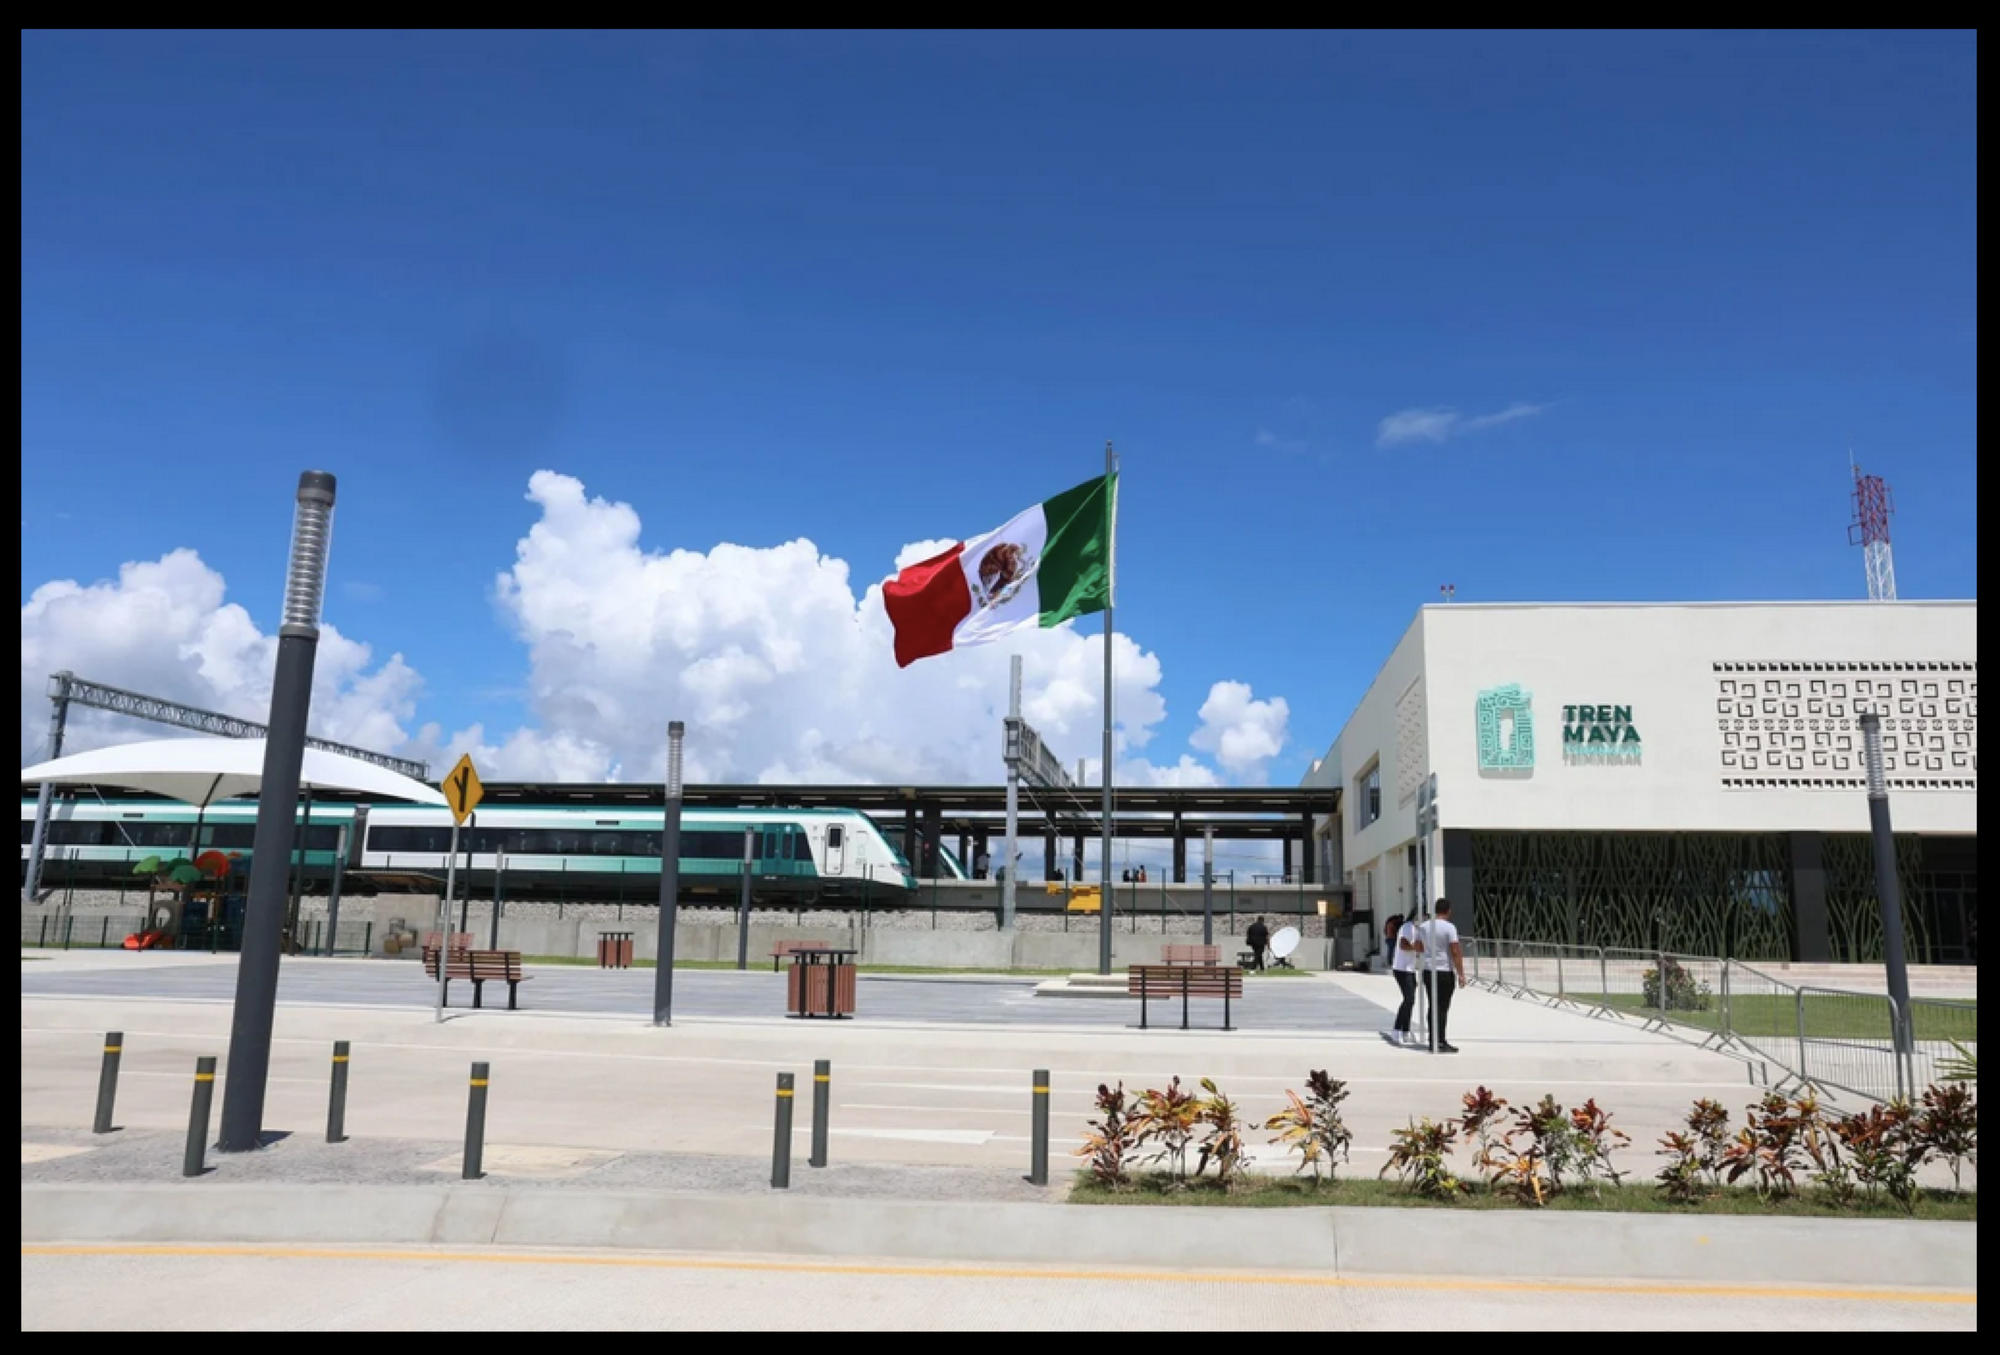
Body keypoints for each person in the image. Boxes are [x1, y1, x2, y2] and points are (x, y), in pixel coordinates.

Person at [1415, 898, 1467, 1054]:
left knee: (1433, 1006)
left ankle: (1433, 1039)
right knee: (1442, 1007)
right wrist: (1461, 973)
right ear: (1448, 911)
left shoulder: (1424, 926)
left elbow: (1418, 946)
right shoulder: (1449, 927)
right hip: (1444, 970)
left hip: (1428, 969)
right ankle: (1440, 1040)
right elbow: (1455, 950)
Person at [1389, 913, 1419, 1045]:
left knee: (1410, 1001)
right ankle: (1397, 1029)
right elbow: (1403, 944)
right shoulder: (1408, 927)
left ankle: (1406, 1030)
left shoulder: (1414, 928)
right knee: (1409, 999)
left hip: (1409, 968)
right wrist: (1417, 948)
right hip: (1402, 969)